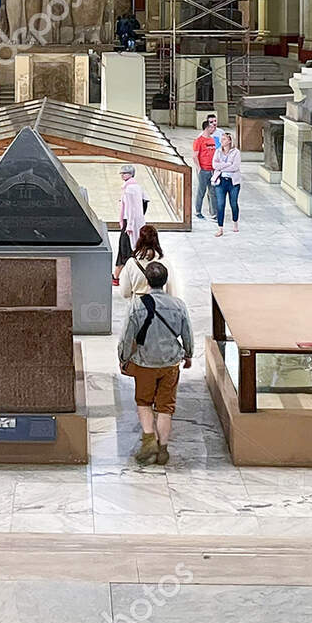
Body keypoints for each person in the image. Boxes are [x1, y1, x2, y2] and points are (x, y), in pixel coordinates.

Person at [118, 263, 194, 467]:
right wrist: (188, 354)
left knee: (144, 403)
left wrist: (124, 358)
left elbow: (127, 336)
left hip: (144, 362)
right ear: (165, 281)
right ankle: (163, 450)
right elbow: (187, 332)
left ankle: (149, 440)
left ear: (147, 281)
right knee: (165, 407)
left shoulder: (136, 305)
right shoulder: (178, 305)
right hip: (170, 363)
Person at [117, 224, 181, 300]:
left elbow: (125, 292)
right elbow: (172, 291)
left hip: (138, 302)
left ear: (140, 240)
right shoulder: (164, 262)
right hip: (159, 303)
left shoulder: (131, 263)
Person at [113, 163, 145, 286]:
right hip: (134, 222)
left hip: (129, 224)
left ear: (130, 174)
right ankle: (117, 276)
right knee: (127, 250)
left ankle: (117, 277)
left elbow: (131, 209)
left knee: (125, 249)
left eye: (124, 173)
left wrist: (130, 225)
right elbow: (145, 201)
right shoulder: (135, 186)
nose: (122, 175)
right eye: (122, 173)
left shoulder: (129, 189)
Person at [212, 127, 243, 236]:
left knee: (233, 203)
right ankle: (220, 228)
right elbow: (215, 165)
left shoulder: (236, 153)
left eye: (224, 139)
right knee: (220, 204)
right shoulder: (218, 151)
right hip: (220, 181)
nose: (222, 141)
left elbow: (235, 167)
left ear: (230, 141)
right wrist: (226, 165)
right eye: (221, 139)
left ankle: (235, 223)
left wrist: (222, 166)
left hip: (233, 182)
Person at [191, 114, 219, 220]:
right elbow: (195, 155)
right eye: (211, 127)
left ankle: (214, 213)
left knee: (213, 191)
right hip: (203, 170)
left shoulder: (212, 140)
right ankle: (198, 211)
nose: (213, 128)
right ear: (207, 127)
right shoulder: (199, 141)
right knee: (201, 191)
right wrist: (199, 168)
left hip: (212, 170)